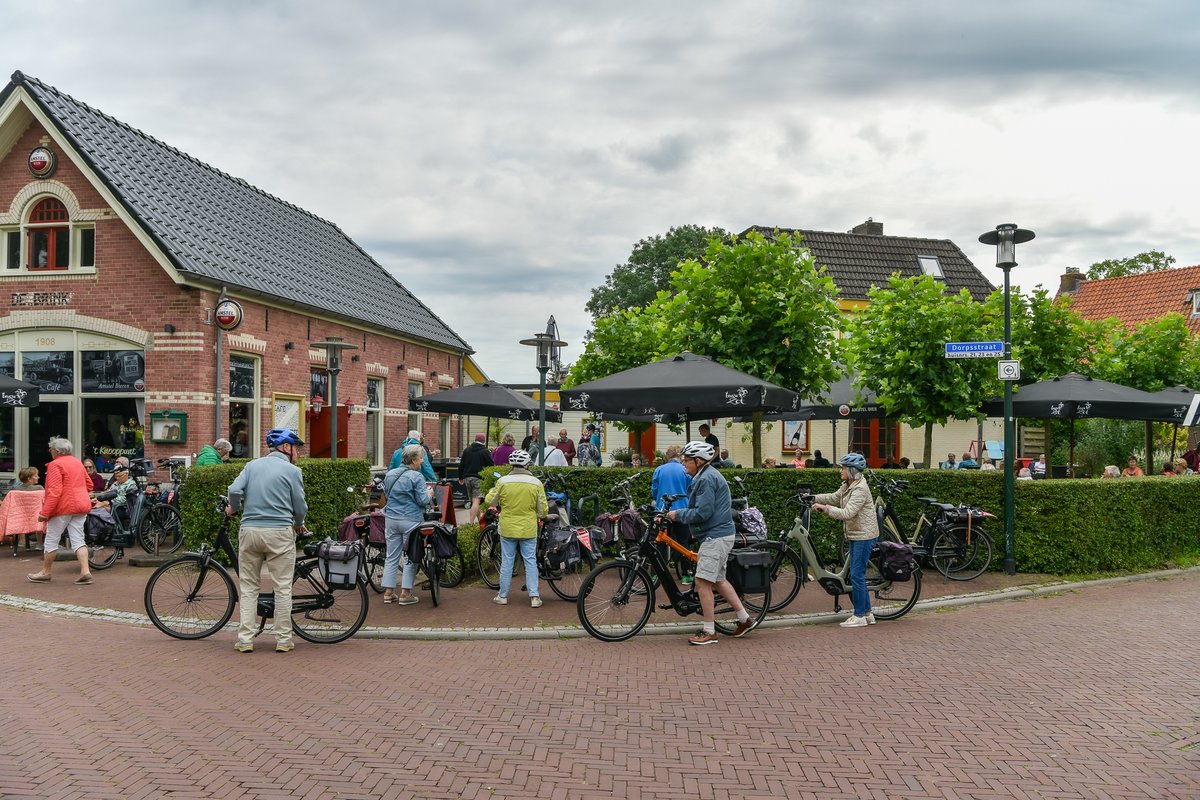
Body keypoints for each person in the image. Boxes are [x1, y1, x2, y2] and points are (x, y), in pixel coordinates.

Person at [665, 442, 757, 645]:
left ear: (698, 461)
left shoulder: (707, 479)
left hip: (715, 537)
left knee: (702, 582)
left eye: (686, 460)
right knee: (718, 580)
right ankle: (744, 619)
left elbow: (702, 513)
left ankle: (709, 631)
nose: (683, 464)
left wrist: (677, 515)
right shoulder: (705, 476)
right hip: (718, 535)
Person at [225, 428, 307, 653]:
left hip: (250, 530)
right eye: (296, 448)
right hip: (280, 532)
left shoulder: (252, 466)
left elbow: (234, 489)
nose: (298, 453)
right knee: (282, 588)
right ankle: (283, 640)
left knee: (249, 587)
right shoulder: (292, 471)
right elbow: (300, 506)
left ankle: (245, 640)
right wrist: (298, 522)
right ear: (287, 447)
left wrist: (235, 508)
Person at [811, 453, 879, 629]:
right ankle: (868, 614)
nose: (840, 470)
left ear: (851, 470)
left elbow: (847, 513)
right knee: (856, 575)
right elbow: (834, 497)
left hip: (864, 535)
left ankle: (859, 616)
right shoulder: (848, 485)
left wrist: (825, 509)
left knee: (857, 575)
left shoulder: (860, 489)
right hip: (856, 534)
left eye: (843, 468)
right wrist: (812, 497)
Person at [484, 450, 548, 608]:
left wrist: (495, 491)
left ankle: (503, 596)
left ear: (511, 464)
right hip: (528, 528)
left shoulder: (503, 482)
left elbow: (490, 500)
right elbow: (543, 511)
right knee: (530, 561)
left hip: (508, 528)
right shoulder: (536, 483)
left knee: (507, 562)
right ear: (527, 465)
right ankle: (534, 597)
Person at [27, 437, 94, 586]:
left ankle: (45, 572)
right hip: (81, 506)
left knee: (51, 539)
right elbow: (89, 484)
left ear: (56, 451)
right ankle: (85, 571)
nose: (50, 452)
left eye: (50, 449)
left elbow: (54, 491)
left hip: (63, 507)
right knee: (78, 539)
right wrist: (79, 494)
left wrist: (45, 512)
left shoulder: (55, 465)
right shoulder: (77, 462)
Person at [380, 443, 432, 606]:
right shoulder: (417, 477)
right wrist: (429, 493)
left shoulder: (390, 474)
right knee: (411, 555)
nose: (422, 461)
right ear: (414, 460)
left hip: (392, 519)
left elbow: (387, 494)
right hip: (411, 519)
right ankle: (405, 593)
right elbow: (422, 500)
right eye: (421, 458)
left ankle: (388, 592)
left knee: (391, 555)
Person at [652, 446, 693, 583]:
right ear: (678, 456)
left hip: (663, 511)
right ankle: (687, 574)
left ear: (668, 456)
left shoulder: (659, 470)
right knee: (682, 542)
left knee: (661, 543)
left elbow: (654, 491)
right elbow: (691, 489)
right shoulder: (685, 469)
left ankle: (657, 575)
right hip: (682, 510)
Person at [458, 433, 492, 524]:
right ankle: (471, 523)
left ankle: (479, 520)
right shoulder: (485, 451)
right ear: (483, 441)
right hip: (478, 479)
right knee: (476, 502)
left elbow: (461, 465)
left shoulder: (467, 450)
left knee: (474, 502)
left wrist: (460, 477)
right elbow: (491, 465)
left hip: (467, 478)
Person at [93, 463, 138, 528]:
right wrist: (99, 499)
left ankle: (110, 530)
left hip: (124, 508)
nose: (117, 478)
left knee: (107, 511)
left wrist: (108, 502)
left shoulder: (132, 484)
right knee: (98, 510)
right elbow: (108, 493)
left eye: (120, 476)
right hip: (112, 506)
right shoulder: (115, 484)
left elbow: (125, 499)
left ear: (126, 474)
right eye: (116, 476)